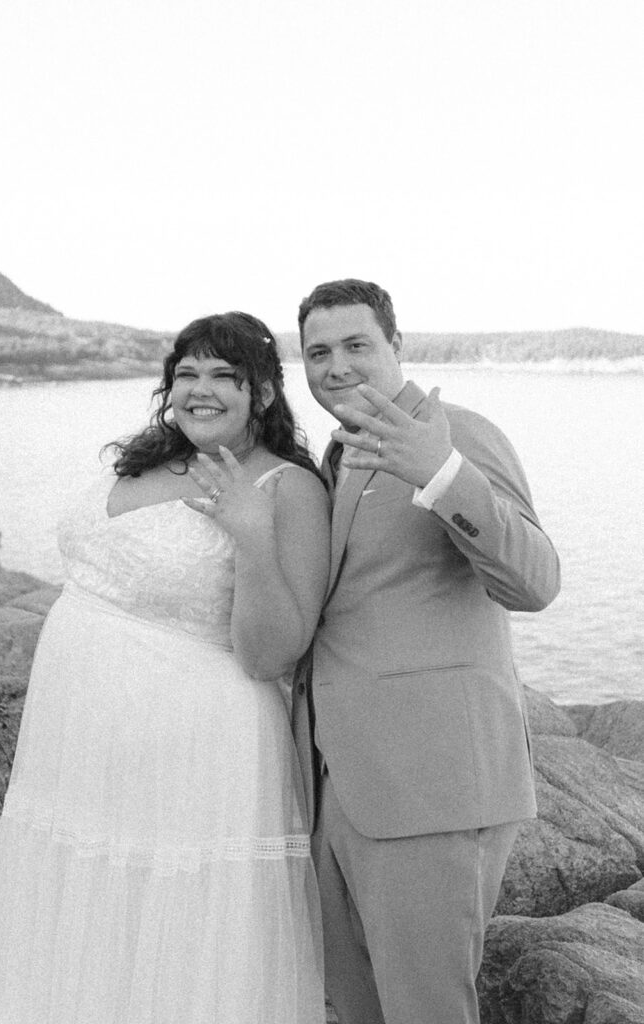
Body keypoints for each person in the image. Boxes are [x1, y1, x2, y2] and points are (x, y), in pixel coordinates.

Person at [0, 312, 330, 1024]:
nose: (201, 389)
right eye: (186, 372)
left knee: (177, 922)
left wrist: (253, 537)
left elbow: (273, 652)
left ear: (261, 393)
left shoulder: (290, 489)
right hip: (81, 741)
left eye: (224, 375)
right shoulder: (147, 459)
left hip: (196, 747)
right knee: (87, 900)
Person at [292, 279, 561, 1024]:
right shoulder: (335, 456)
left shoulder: (458, 433)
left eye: (356, 346)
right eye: (318, 352)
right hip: (342, 784)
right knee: (357, 1009)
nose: (336, 366)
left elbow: (535, 582)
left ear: (397, 347)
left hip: (434, 788)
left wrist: (442, 475)